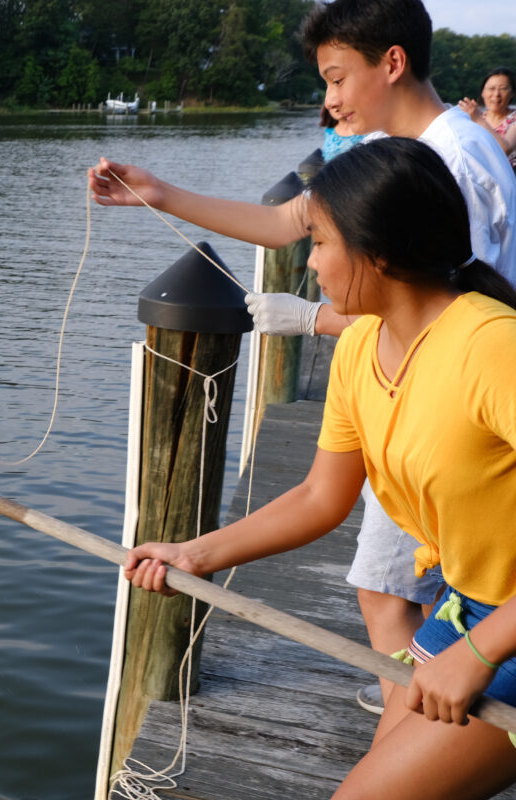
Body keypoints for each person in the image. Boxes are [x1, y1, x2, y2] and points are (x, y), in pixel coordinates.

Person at [88, 0, 516, 716]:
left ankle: (424, 711)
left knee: (394, 595)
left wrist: (317, 319)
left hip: (446, 423)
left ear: (393, 62)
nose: (330, 99)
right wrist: (159, 194)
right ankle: (419, 710)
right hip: (430, 450)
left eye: (337, 77)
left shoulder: (453, 171)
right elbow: (288, 223)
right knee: (400, 592)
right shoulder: (388, 163)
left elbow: (424, 296)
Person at [124, 136, 516, 800]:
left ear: (380, 252)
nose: (310, 261)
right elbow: (318, 497)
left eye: (323, 242)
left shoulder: (490, 345)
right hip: (471, 603)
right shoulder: (363, 344)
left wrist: (479, 655)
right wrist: (193, 554)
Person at [459, 67, 516, 173]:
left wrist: (478, 119)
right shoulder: (472, 117)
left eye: (503, 88)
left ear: (512, 93)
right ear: (483, 93)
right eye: (491, 89)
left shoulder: (477, 118)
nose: (496, 94)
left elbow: (504, 149)